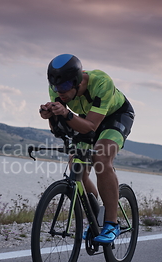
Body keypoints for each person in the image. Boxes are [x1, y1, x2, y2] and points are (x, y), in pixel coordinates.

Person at [39, 54, 135, 244]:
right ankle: (95, 216)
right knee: (78, 167)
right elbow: (59, 127)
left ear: (77, 81)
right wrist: (49, 115)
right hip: (86, 118)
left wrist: (65, 113)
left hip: (116, 117)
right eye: (56, 87)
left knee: (101, 158)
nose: (60, 92)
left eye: (65, 87)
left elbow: (91, 126)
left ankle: (111, 223)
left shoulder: (101, 82)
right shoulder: (58, 90)